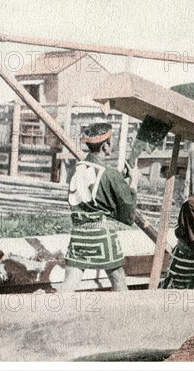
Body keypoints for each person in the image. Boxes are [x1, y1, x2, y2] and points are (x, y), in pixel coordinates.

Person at [61, 122, 140, 292]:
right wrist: (134, 182)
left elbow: (94, 191)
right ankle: (128, 316)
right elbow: (126, 204)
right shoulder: (109, 173)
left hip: (79, 234)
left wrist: (118, 181)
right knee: (118, 279)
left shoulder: (77, 169)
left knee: (69, 282)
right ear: (105, 146)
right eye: (111, 142)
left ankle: (54, 314)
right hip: (101, 234)